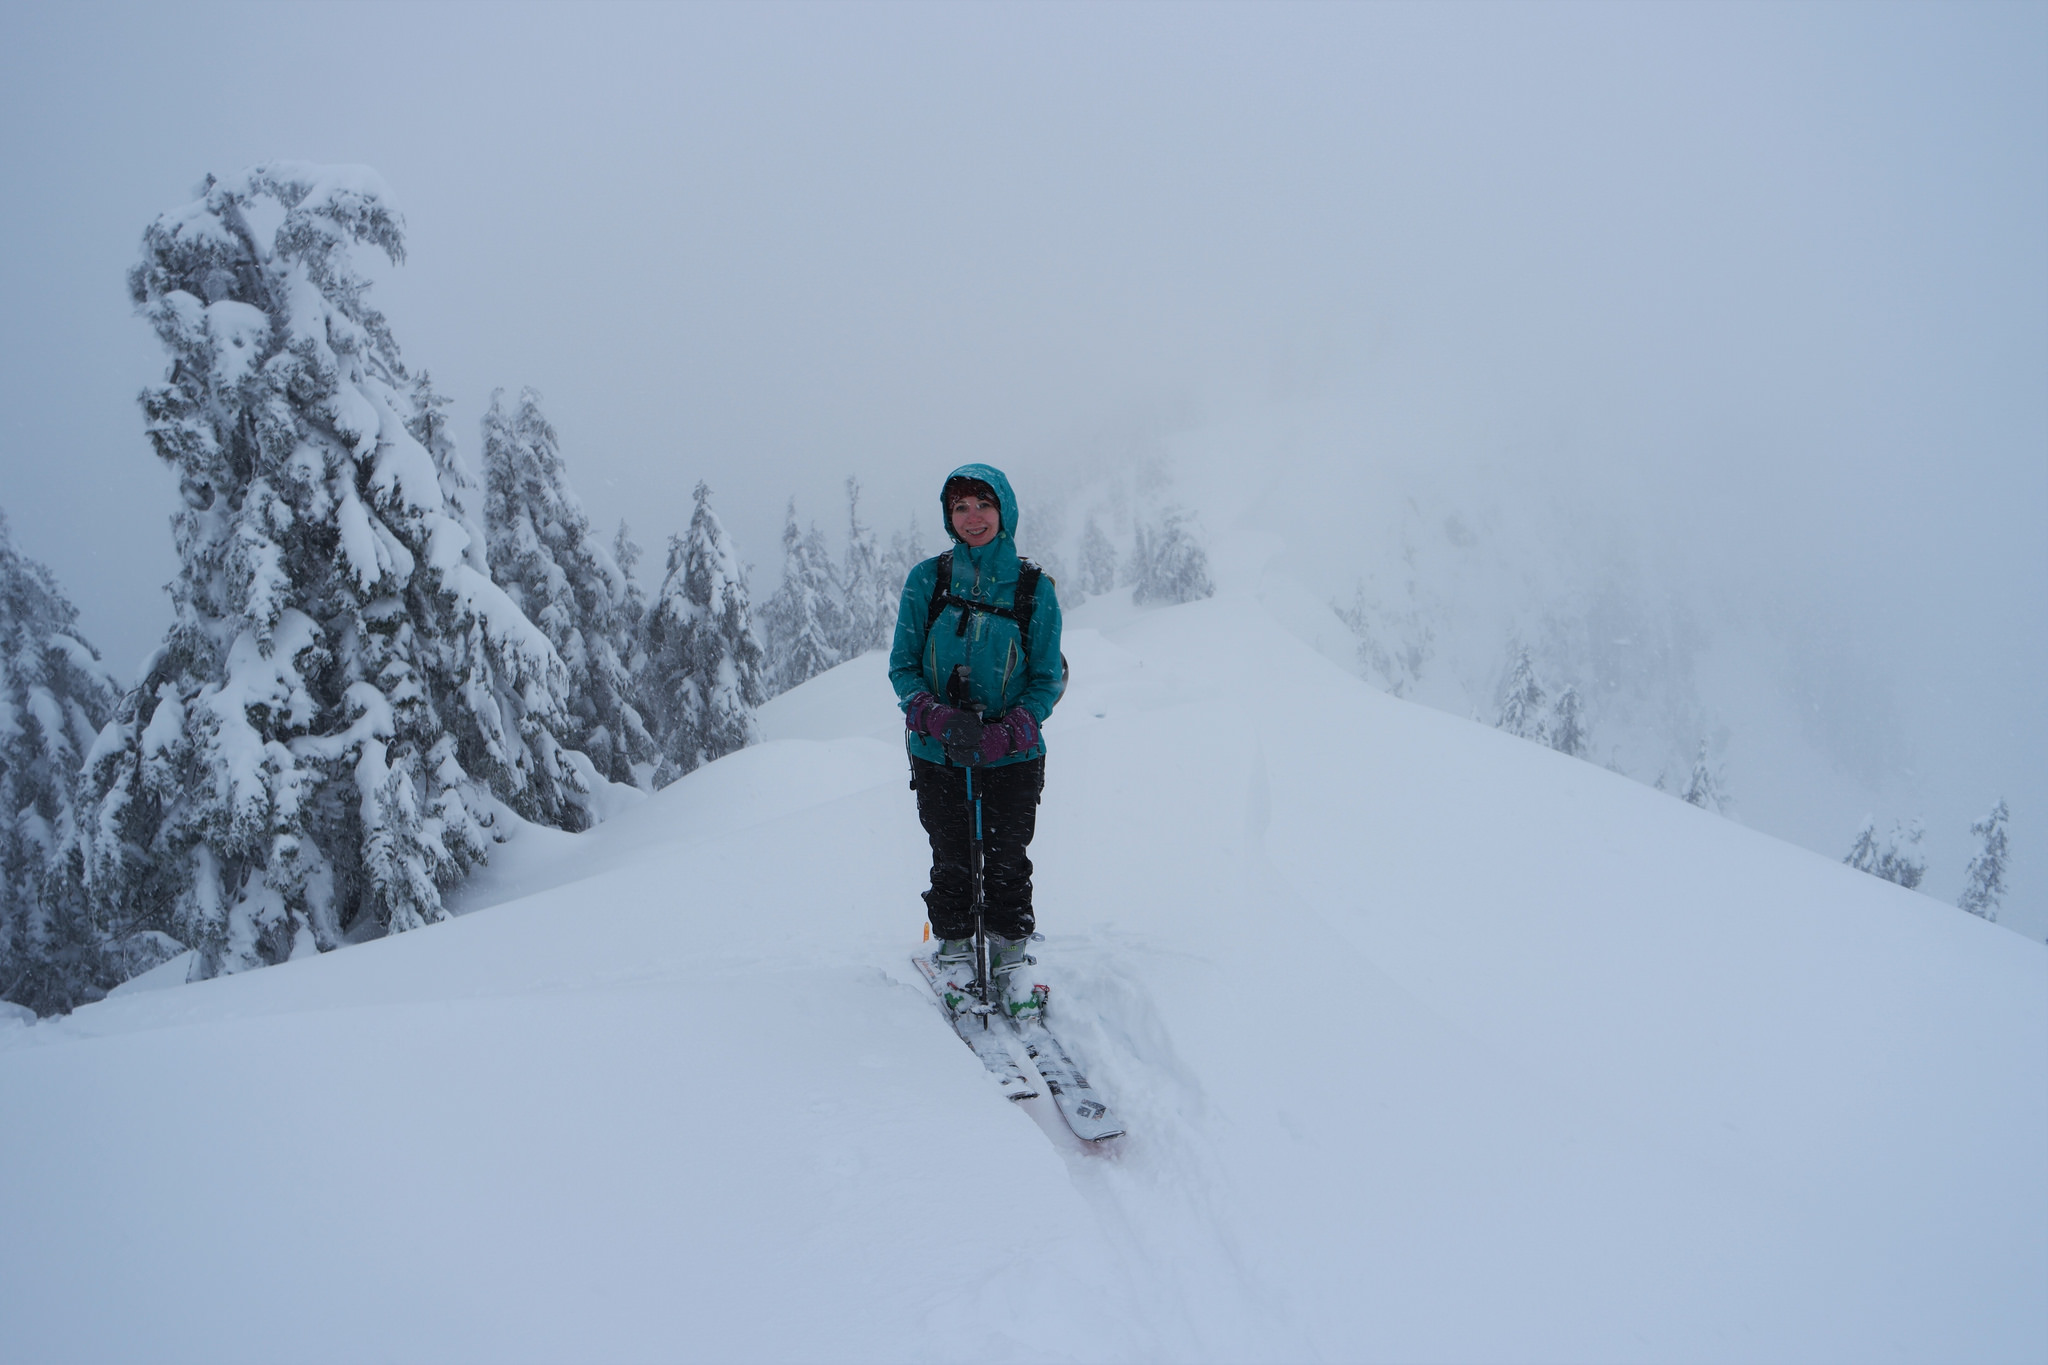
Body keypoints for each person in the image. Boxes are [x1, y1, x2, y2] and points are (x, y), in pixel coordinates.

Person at [890, 464, 1064, 1023]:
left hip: (1012, 755)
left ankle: (1011, 955)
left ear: (1004, 510)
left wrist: (1009, 731)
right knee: (953, 857)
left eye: (982, 505)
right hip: (938, 754)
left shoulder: (1034, 587)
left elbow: (1047, 678)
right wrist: (936, 718)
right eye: (960, 507)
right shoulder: (928, 580)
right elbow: (902, 668)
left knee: (1008, 857)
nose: (972, 517)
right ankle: (955, 948)